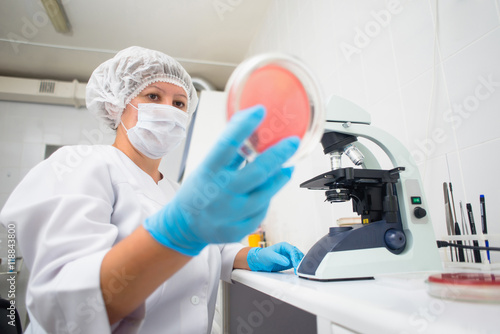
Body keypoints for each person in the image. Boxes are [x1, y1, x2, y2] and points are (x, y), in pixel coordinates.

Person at [0, 46, 304, 334]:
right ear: (116, 105)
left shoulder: (175, 190)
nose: (168, 110)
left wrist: (248, 256)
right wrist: (176, 236)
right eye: (153, 95)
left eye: (179, 103)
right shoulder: (79, 165)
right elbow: (66, 304)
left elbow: (207, 249)